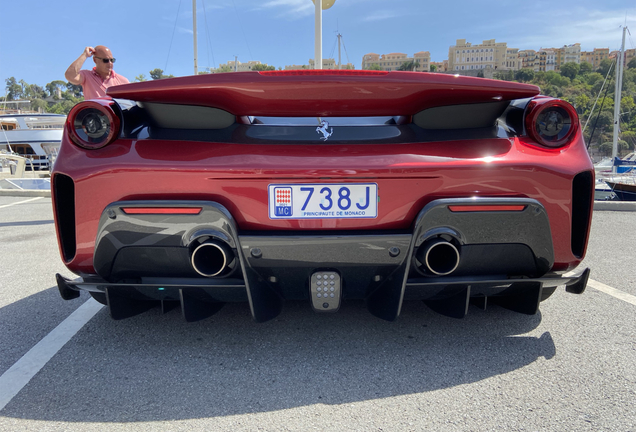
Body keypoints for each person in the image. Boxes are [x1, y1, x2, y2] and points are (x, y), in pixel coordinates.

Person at [65, 45, 129, 99]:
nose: (110, 63)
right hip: (94, 113)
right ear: (95, 60)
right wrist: (85, 55)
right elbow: (70, 75)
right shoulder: (86, 76)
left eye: (112, 60)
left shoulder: (123, 81)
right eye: (105, 60)